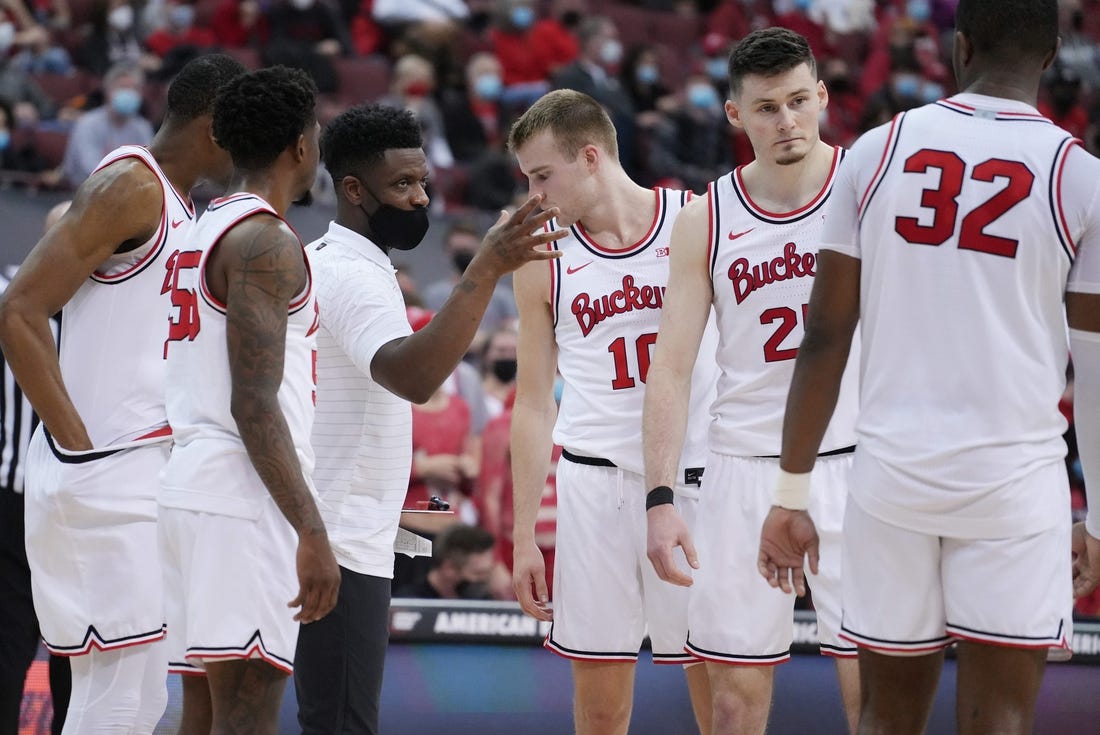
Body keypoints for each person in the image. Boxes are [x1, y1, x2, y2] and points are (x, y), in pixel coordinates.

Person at [756, 2, 1100, 733]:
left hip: (892, 481)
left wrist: (790, 491)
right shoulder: (1083, 177)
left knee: (885, 718)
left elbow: (822, 336)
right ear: (1049, 58)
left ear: (959, 45)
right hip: (1014, 485)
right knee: (999, 718)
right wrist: (1099, 515)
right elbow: (1097, 371)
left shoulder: (874, 152)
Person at [297, 102, 562, 735]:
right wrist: (487, 267)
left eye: (422, 183)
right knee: (341, 722)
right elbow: (415, 377)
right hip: (341, 536)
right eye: (402, 185)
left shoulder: (354, 266)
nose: (419, 199)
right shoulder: (348, 273)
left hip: (351, 530)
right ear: (354, 190)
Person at [0, 52, 244, 733]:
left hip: (139, 471)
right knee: (116, 695)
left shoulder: (180, 204)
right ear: (213, 123)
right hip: (106, 470)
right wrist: (83, 448)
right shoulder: (131, 185)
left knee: (137, 697)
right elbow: (18, 312)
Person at [642, 28, 860, 735]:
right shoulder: (705, 218)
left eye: (800, 101)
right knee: (733, 705)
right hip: (742, 468)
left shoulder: (869, 189)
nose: (787, 121)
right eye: (767, 107)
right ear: (735, 114)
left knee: (875, 695)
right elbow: (670, 367)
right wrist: (660, 496)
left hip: (856, 461)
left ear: (823, 97)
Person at [508, 88, 717, 735]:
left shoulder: (695, 218)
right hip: (595, 486)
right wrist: (521, 535)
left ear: (591, 157)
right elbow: (534, 402)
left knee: (722, 691)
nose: (534, 193)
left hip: (695, 478)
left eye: (543, 175)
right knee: (599, 710)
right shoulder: (541, 258)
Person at [157, 65, 339, 735]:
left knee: (203, 715)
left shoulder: (200, 227)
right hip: (240, 492)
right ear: (301, 145)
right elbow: (254, 403)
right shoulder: (266, 240)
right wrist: (312, 528)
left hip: (189, 485)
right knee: (246, 716)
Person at [0, 202, 70, 735]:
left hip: (74, 500)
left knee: (77, 643)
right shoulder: (14, 301)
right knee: (10, 640)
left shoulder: (95, 312)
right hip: (15, 494)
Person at [394, 524, 497, 600]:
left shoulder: (483, 604)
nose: (485, 579)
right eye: (478, 573)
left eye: (488, 572)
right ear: (449, 568)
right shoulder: (409, 603)